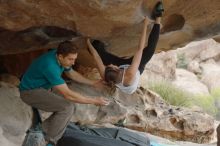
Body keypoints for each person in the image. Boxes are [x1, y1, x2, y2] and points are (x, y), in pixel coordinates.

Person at [19, 41, 109, 146]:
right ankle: (49, 140)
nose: (73, 63)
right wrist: (94, 101)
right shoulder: (50, 66)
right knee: (67, 107)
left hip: (43, 87)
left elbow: (71, 73)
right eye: (71, 59)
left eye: (75, 59)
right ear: (60, 56)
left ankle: (42, 128)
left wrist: (93, 83)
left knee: (69, 106)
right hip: (29, 92)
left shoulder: (58, 56)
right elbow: (68, 95)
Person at [87, 1, 164, 94]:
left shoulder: (106, 75)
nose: (109, 64)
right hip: (137, 69)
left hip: (122, 68)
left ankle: (97, 46)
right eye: (110, 66)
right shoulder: (130, 74)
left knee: (95, 47)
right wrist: (145, 24)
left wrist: (88, 43)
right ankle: (158, 18)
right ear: (116, 69)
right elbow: (140, 48)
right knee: (150, 50)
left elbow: (97, 58)